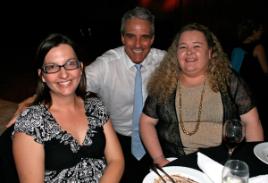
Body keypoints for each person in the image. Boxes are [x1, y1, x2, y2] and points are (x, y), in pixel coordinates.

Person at [7, 7, 166, 183]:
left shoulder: (164, 62)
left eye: (144, 37)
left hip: (152, 136)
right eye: (130, 36)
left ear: (152, 39)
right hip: (119, 136)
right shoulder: (106, 65)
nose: (137, 44)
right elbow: (67, 84)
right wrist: (30, 102)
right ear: (122, 38)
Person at [140, 23, 264, 167]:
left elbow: (251, 121)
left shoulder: (229, 80)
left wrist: (253, 162)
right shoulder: (164, 83)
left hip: (224, 161)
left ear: (210, 52)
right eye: (183, 47)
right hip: (179, 161)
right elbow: (146, 122)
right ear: (176, 54)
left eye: (197, 46)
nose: (189, 52)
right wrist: (159, 158)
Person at [12, 33, 124, 183]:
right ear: (42, 76)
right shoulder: (31, 123)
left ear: (81, 67)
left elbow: (116, 160)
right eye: (52, 67)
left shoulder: (94, 103)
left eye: (70, 64)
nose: (64, 74)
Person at [234, 19, 268, 140]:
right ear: (253, 32)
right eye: (260, 30)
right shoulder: (258, 47)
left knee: (244, 121)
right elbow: (265, 70)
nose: (262, 32)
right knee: (258, 120)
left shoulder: (236, 48)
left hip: (242, 90)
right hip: (257, 89)